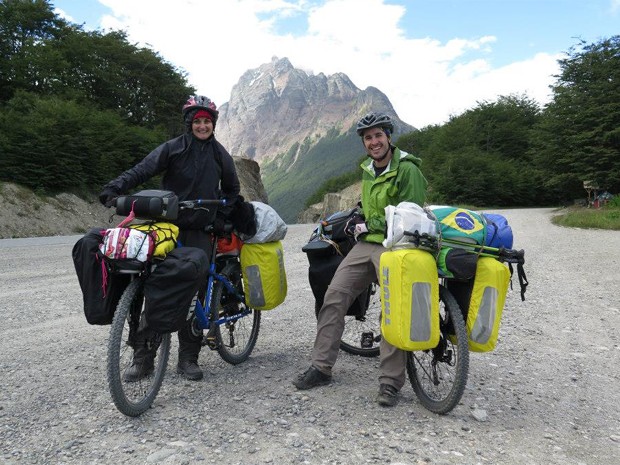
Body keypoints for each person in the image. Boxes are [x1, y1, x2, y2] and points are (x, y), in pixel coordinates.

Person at [99, 95, 241, 381]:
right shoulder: (172, 148)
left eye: (207, 121)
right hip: (167, 228)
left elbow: (232, 190)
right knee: (156, 287)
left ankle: (188, 357)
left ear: (213, 124)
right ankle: (144, 358)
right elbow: (143, 169)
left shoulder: (219, 154)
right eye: (197, 121)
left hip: (201, 230)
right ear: (189, 123)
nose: (202, 126)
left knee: (195, 292)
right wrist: (114, 189)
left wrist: (221, 217)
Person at [293, 112, 428, 406]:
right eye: (368, 138)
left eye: (378, 135)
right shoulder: (368, 170)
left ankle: (390, 383)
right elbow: (369, 209)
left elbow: (412, 216)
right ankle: (321, 367)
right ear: (364, 143)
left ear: (389, 137)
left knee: (392, 309)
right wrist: (359, 222)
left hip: (397, 246)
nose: (374, 142)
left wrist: (372, 225)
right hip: (368, 244)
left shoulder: (408, 170)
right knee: (334, 296)